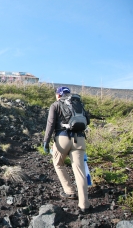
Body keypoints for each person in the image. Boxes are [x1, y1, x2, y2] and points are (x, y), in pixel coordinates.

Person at [43, 86, 91, 214]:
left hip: (62, 138)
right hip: (79, 139)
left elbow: (50, 124)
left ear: (58, 95)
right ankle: (84, 205)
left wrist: (46, 142)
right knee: (79, 171)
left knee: (58, 164)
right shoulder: (78, 104)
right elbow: (88, 121)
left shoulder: (56, 105)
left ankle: (69, 191)